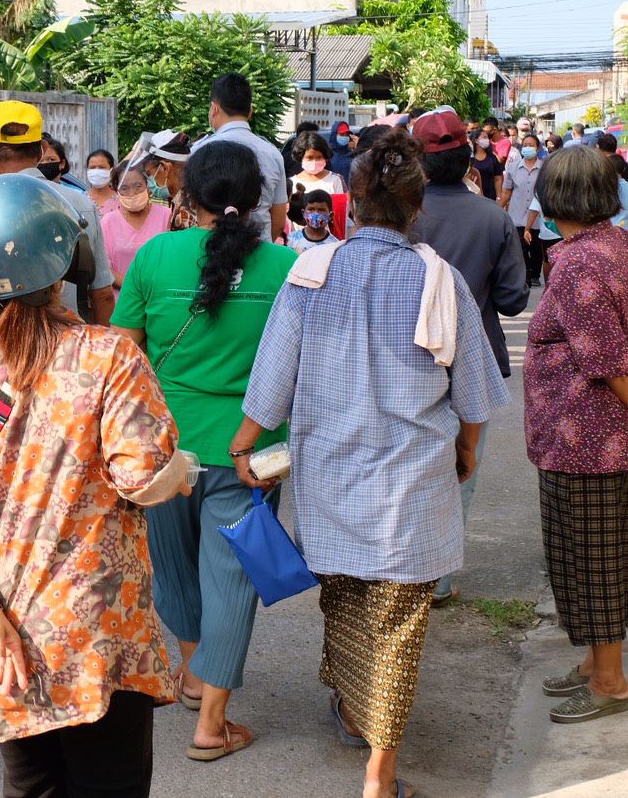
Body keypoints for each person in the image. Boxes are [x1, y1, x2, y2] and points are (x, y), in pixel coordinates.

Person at [237, 129, 508, 798]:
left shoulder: (310, 273)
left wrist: (245, 446)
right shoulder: (438, 280)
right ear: (417, 208)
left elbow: (272, 381)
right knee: (397, 625)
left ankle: (368, 737)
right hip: (412, 484)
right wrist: (467, 448)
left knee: (347, 601)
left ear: (349, 202)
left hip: (329, 478)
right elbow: (473, 390)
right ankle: (375, 765)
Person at [0, 173, 186, 797]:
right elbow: (142, 479)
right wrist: (181, 471)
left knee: (30, 785)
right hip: (95, 629)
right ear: (65, 259)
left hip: (3, 627)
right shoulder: (109, 357)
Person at [113, 140, 298, 763]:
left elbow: (123, 356)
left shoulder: (155, 257)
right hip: (250, 456)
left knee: (172, 567)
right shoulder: (282, 268)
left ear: (184, 197)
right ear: (256, 203)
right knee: (230, 580)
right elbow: (296, 368)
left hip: (165, 451)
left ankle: (193, 670)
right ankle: (211, 720)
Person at [524, 146, 628, 726]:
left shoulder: (583, 262)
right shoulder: (620, 244)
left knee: (595, 560)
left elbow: (610, 359)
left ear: (554, 197)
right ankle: (593, 663)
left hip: (588, 437)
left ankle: (610, 681)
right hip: (575, 438)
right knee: (580, 554)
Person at [410, 111, 527, 605]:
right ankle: (438, 578)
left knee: (408, 464)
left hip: (405, 363)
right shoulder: (494, 218)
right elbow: (514, 300)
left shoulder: (401, 218)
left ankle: (405, 570)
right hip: (471, 363)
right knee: (463, 467)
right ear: (468, 160)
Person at [0, 100, 115, 325]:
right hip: (71, 348)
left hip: (1, 348)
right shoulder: (79, 203)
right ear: (43, 148)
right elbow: (102, 294)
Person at [190, 73, 291, 242]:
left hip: (209, 252)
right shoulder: (273, 153)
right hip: (258, 253)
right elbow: (279, 221)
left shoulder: (200, 151)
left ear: (214, 108)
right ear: (250, 111)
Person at [101, 164, 171, 290]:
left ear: (148, 186)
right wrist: (135, 288)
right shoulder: (107, 222)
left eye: (138, 186)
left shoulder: (166, 216)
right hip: (123, 302)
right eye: (124, 188)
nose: (132, 193)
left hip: (160, 298)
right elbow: (105, 268)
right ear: (117, 191)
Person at [501, 133, 546, 287]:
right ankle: (525, 276)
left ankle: (534, 274)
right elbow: (507, 191)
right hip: (517, 214)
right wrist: (499, 208)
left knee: (536, 249)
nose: (527, 148)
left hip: (538, 217)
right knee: (520, 248)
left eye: (531, 145)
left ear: (538, 148)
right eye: (525, 145)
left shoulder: (544, 168)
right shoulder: (513, 168)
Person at [288, 130, 346, 198]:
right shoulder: (292, 183)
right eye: (309, 157)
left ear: (325, 157)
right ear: (301, 157)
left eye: (319, 157)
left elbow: (341, 206)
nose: (314, 161)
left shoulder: (335, 180)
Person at [288, 188, 339, 253]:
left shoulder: (334, 245)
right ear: (303, 213)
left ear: (330, 216)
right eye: (311, 209)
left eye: (321, 210)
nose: (316, 214)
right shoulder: (292, 240)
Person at [470, 126, 505, 202]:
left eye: (487, 137)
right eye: (484, 137)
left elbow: (498, 178)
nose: (487, 140)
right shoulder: (470, 159)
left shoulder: (492, 158)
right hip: (474, 198)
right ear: (476, 140)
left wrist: (499, 197)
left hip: (490, 198)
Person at [86, 149, 119, 213]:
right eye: (92, 167)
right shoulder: (80, 198)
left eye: (101, 167)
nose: (96, 171)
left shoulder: (121, 201)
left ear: (111, 170)